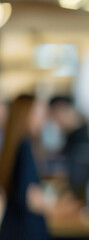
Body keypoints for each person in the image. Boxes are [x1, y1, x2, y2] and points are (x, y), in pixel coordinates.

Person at [0, 95, 50, 240]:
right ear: (25, 114)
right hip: (26, 229)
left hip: (13, 226)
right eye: (38, 114)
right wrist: (53, 204)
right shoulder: (25, 146)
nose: (42, 120)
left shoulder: (12, 146)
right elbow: (27, 195)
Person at [49, 96, 89, 201]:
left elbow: (79, 177)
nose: (54, 121)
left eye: (55, 114)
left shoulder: (81, 139)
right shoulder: (71, 136)